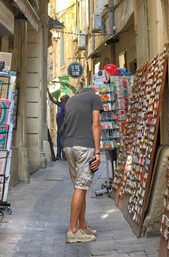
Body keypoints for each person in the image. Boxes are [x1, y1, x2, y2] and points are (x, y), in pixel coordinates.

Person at [62, 86, 103, 243]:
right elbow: (96, 123)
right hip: (84, 147)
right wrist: (98, 152)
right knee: (81, 187)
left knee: (80, 187)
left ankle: (82, 225)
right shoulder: (95, 98)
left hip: (69, 147)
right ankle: (72, 230)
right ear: (93, 91)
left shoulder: (71, 100)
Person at [47, 91, 69, 160]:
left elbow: (66, 117)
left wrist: (62, 126)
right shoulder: (59, 104)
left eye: (63, 96)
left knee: (62, 141)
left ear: (65, 99)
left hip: (63, 126)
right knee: (59, 141)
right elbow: (52, 99)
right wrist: (48, 92)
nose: (62, 96)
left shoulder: (66, 106)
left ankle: (65, 155)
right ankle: (58, 155)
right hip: (59, 125)